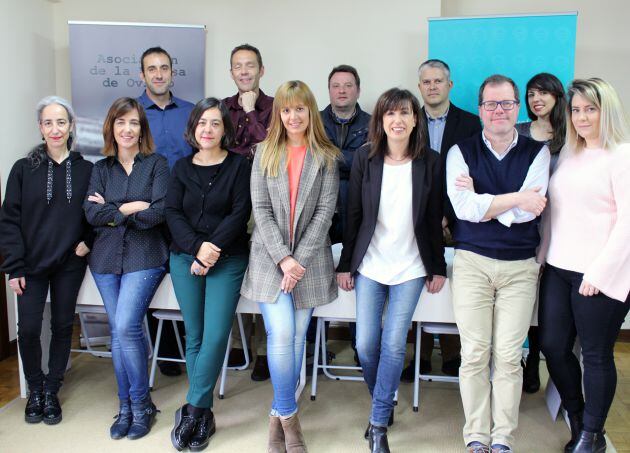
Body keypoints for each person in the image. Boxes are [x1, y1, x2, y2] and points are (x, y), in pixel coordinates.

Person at [337, 88, 446, 453]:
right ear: (380, 121)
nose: (397, 120)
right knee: (366, 344)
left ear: (415, 119)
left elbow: (432, 219)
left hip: (412, 266)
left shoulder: (430, 160)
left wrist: (438, 265)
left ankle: (379, 422)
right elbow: (353, 215)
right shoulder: (364, 158)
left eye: (404, 113)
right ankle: (382, 398)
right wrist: (346, 263)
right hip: (371, 263)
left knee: (394, 342)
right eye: (390, 114)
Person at [446, 74, 550, 453]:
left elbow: (529, 214)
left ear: (517, 107)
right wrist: (515, 198)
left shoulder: (537, 153)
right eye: (491, 104)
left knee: (508, 355)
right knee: (474, 353)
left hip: (520, 267)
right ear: (480, 110)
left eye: (506, 103)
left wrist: (487, 204)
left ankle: (502, 437)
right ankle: (476, 435)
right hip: (472, 261)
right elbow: (463, 208)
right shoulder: (461, 151)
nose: (499, 111)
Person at [240, 80, 339, 453]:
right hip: (270, 260)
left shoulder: (326, 156)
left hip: (310, 264)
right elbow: (261, 212)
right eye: (286, 109)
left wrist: (298, 262)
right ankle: (289, 417)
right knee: (281, 336)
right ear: (278, 114)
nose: (293, 115)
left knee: (297, 340)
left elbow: (325, 214)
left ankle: (275, 416)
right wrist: (283, 258)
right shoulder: (263, 152)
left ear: (310, 111)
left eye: (300, 108)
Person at [539, 78, 630, 453]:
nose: (581, 117)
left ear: (606, 110)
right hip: (559, 268)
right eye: (575, 110)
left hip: (600, 274)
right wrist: (542, 255)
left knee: (595, 354)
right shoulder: (571, 154)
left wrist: (598, 273)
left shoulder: (622, 155)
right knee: (552, 346)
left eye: (590, 109)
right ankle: (576, 417)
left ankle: (592, 434)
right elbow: (556, 211)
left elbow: (628, 223)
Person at [0, 96, 93, 425]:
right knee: (27, 329)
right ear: (41, 128)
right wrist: (13, 265)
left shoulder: (86, 169)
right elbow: (9, 220)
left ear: (71, 127)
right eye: (49, 123)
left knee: (62, 326)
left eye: (61, 122)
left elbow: (97, 214)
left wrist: (88, 242)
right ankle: (35, 389)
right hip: (30, 265)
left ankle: (52, 389)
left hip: (69, 263)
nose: (55, 129)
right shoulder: (23, 169)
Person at [165, 97, 251, 451]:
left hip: (227, 257)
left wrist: (211, 249)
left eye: (215, 123)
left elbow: (239, 211)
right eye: (202, 122)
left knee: (216, 336)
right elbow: (172, 213)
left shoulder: (239, 166)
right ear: (193, 128)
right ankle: (203, 413)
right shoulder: (181, 168)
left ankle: (194, 407)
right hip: (185, 258)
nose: (208, 129)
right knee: (195, 336)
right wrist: (196, 249)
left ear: (225, 129)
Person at [84, 97, 170, 440]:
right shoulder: (100, 169)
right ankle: (128, 407)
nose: (127, 129)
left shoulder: (157, 164)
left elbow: (159, 212)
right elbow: (91, 214)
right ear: (112, 128)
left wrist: (113, 210)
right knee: (120, 331)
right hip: (105, 259)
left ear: (142, 128)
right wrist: (132, 207)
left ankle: (140, 403)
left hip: (146, 256)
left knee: (124, 326)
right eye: (121, 122)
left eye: (133, 122)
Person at [401, 59, 482, 382]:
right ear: (419, 87)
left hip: (459, 219)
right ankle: (416, 357)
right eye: (426, 82)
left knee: (452, 286)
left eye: (438, 81)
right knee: (414, 284)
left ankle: (452, 354)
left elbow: (474, 174)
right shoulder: (405, 121)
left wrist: (447, 214)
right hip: (413, 218)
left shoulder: (471, 124)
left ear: (450, 85)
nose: (432, 86)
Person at [138, 46, 195, 377]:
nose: (158, 74)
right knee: (149, 279)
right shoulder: (133, 114)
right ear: (142, 74)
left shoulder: (190, 112)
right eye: (152, 69)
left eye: (164, 68)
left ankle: (194, 349)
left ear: (173, 72)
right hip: (147, 212)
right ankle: (166, 353)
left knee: (186, 280)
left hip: (186, 214)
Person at [223, 43, 274, 381]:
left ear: (261, 70)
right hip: (226, 197)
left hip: (263, 199)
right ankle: (237, 345)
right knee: (230, 266)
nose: (244, 71)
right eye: (238, 66)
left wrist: (253, 112)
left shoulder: (276, 106)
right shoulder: (221, 108)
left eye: (250, 65)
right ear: (231, 72)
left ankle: (263, 352)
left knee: (262, 271)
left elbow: (270, 150)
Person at [515, 72, 567, 394]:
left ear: (556, 96)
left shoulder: (569, 134)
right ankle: (520, 360)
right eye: (531, 94)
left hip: (558, 225)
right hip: (520, 223)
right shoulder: (518, 131)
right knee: (522, 296)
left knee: (545, 302)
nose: (536, 99)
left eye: (543, 93)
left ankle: (534, 359)